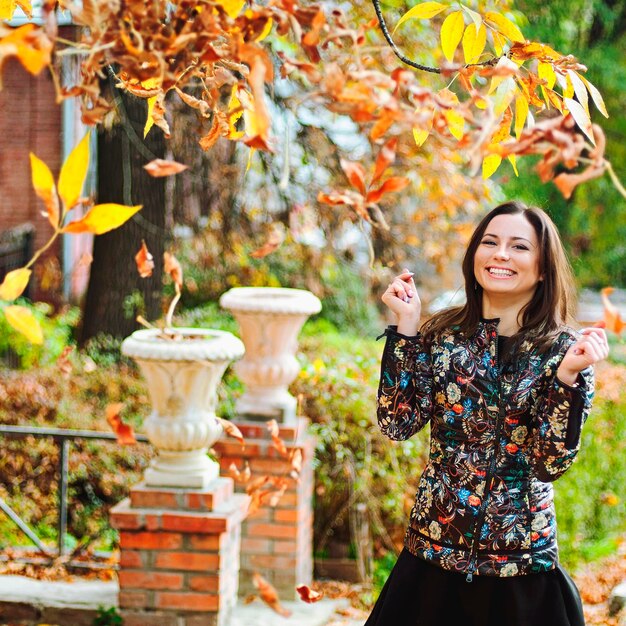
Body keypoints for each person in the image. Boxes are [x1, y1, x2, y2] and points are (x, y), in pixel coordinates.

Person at [366, 201, 609, 626]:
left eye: (518, 246)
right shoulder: (442, 336)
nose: (500, 254)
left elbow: (549, 463)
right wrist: (405, 329)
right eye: (490, 242)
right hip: (433, 559)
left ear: (543, 267)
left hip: (522, 568)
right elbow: (397, 422)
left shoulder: (565, 351)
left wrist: (568, 378)